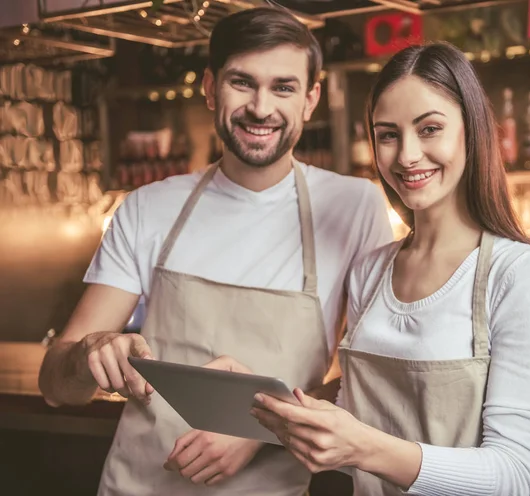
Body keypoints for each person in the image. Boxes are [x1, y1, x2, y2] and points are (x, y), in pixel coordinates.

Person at [37, 7, 393, 496]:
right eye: (242, 82)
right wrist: (89, 355)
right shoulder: (146, 207)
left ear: (311, 99)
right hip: (136, 485)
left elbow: (370, 382)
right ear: (210, 88)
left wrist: (266, 428)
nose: (261, 107)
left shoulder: (353, 206)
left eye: (283, 87)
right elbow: (56, 386)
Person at [251, 42, 530, 495]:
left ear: (471, 132)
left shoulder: (519, 275)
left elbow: (512, 475)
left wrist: (363, 448)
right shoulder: (370, 271)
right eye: (388, 134)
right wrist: (253, 398)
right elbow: (353, 409)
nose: (406, 156)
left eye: (430, 128)